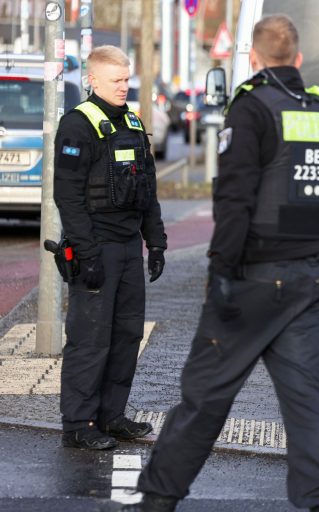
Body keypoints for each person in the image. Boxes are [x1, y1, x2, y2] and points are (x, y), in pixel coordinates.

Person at [124, 15, 319, 512]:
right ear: (298, 59)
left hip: (250, 279)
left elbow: (234, 201)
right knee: (307, 403)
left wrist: (220, 276)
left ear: (253, 58)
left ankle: (157, 498)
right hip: (308, 278)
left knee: (205, 396)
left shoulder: (251, 109)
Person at [54, 45, 166, 451]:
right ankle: (77, 425)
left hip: (128, 247)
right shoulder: (77, 125)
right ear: (94, 80)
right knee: (90, 339)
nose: (123, 87)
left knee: (125, 335)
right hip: (96, 248)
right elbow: (66, 196)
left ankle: (111, 416)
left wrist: (156, 243)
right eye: (116, 80)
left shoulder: (132, 123)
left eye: (126, 79)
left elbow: (147, 190)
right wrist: (86, 253)